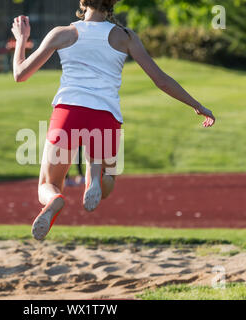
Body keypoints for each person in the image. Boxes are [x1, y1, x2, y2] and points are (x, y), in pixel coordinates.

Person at [11, 0, 215, 241]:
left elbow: (20, 74)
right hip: (105, 116)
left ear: (82, 2)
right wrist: (197, 105)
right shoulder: (126, 37)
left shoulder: (62, 33)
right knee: (108, 182)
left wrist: (21, 39)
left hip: (68, 112)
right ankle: (95, 177)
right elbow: (160, 79)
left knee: (48, 183)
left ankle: (54, 200)